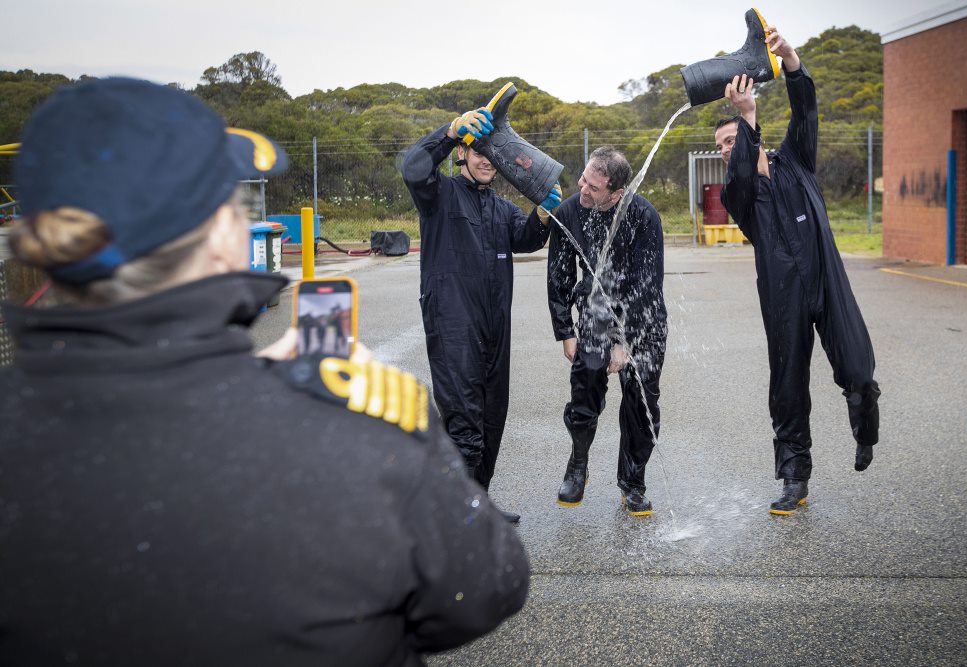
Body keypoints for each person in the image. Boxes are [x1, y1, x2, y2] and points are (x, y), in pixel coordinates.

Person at [0, 78, 529, 666]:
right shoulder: (348, 431)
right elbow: (487, 585)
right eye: (236, 205)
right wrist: (392, 427)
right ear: (222, 240)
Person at [714, 25, 881, 515]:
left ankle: (865, 429)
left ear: (755, 141)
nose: (726, 149)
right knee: (787, 388)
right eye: (721, 145)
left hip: (827, 282)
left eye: (731, 140)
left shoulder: (796, 162)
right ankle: (794, 478)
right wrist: (746, 118)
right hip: (782, 297)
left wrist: (790, 59)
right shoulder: (737, 194)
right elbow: (741, 170)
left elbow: (805, 110)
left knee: (858, 369)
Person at [401, 103, 561, 523]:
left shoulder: (501, 208)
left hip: (494, 329)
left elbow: (525, 239)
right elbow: (414, 168)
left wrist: (542, 215)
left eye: (492, 154)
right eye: (477, 151)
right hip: (453, 325)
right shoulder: (439, 195)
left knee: (492, 418)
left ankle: (478, 503)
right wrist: (450, 129)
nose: (486, 160)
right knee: (464, 423)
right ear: (462, 153)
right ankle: (460, 518)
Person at [547, 147, 667, 516]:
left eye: (594, 187)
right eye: (583, 180)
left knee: (641, 403)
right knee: (584, 391)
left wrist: (624, 342)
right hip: (595, 314)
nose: (583, 189)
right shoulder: (570, 211)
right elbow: (559, 275)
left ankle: (633, 483)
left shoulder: (643, 215)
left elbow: (648, 285)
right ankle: (578, 464)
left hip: (643, 320)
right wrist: (565, 330)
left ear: (615, 193)